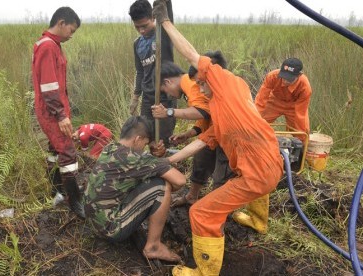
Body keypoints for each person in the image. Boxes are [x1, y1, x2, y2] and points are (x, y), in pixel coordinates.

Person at [152, 1, 284, 275]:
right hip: (272, 166)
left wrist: (164, 22)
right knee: (250, 182)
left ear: (213, 74)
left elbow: (190, 53)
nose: (199, 86)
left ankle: (205, 271)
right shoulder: (227, 106)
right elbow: (203, 140)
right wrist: (167, 161)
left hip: (256, 174)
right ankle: (259, 221)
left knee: (201, 213)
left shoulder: (225, 82)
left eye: (201, 82)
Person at [84, 116, 186, 262]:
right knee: (162, 186)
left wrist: (153, 160)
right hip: (110, 229)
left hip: (95, 223)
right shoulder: (136, 159)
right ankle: (153, 247)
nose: (143, 148)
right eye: (144, 144)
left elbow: (138, 169)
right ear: (137, 139)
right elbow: (181, 181)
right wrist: (158, 163)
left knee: (150, 180)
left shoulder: (110, 148)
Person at [151, 57, 235, 207]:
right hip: (213, 130)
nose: (168, 95)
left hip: (228, 131)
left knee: (221, 174)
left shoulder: (190, 84)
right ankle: (191, 196)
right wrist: (189, 133)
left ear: (168, 82)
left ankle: (217, 210)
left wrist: (169, 112)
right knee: (200, 160)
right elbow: (209, 114)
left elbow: (202, 112)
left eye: (164, 91)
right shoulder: (189, 86)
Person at [31, 7, 84, 218]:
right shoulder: (48, 47)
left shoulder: (53, 45)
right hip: (51, 111)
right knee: (68, 152)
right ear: (61, 23)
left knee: (54, 150)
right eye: (71, 30)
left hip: (53, 109)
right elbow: (49, 86)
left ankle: (57, 193)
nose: (71, 35)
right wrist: (61, 115)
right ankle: (75, 203)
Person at [128, 0, 177, 147]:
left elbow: (169, 18)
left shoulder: (164, 34)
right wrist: (136, 96)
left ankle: (164, 166)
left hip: (166, 97)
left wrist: (166, 3)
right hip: (148, 98)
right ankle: (152, 166)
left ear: (153, 17)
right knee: (146, 137)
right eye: (137, 27)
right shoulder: (137, 44)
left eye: (144, 25)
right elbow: (140, 71)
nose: (141, 30)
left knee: (162, 141)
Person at [254, 58, 312, 142]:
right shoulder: (272, 76)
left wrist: (301, 135)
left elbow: (300, 114)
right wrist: (254, 117)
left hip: (294, 106)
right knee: (256, 123)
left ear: (299, 75)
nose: (285, 81)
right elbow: (260, 101)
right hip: (274, 102)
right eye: (283, 77)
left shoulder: (305, 87)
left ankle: (301, 150)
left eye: (289, 79)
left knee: (302, 131)